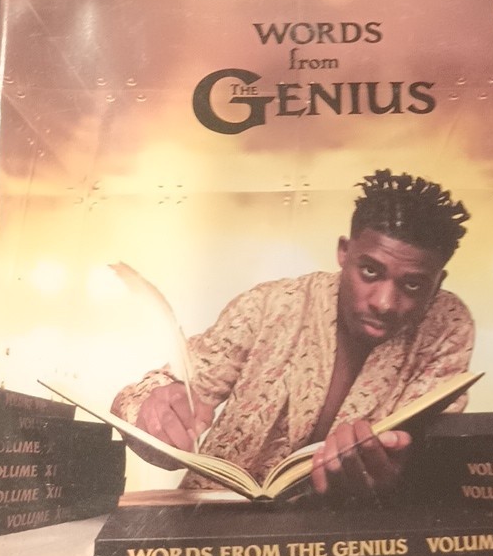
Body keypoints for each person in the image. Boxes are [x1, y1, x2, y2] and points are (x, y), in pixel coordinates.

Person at [111, 170, 474, 497]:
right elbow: (153, 393)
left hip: (352, 532)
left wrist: (397, 471)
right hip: (214, 519)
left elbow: (423, 458)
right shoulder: (269, 306)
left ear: (438, 282)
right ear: (344, 253)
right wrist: (152, 413)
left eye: (413, 285)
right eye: (369, 271)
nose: (384, 302)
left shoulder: (447, 325)